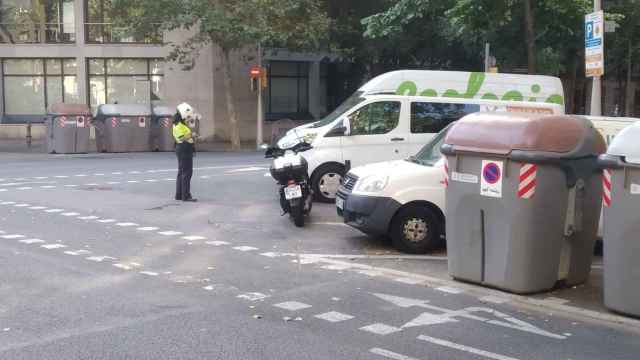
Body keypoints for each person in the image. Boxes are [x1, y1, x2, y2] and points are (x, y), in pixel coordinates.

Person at [173, 102, 197, 202]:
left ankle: (179, 195)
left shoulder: (179, 124)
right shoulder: (178, 125)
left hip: (182, 149)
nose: (186, 119)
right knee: (187, 173)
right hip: (184, 149)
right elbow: (181, 138)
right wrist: (192, 135)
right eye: (186, 117)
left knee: (181, 172)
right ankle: (185, 196)